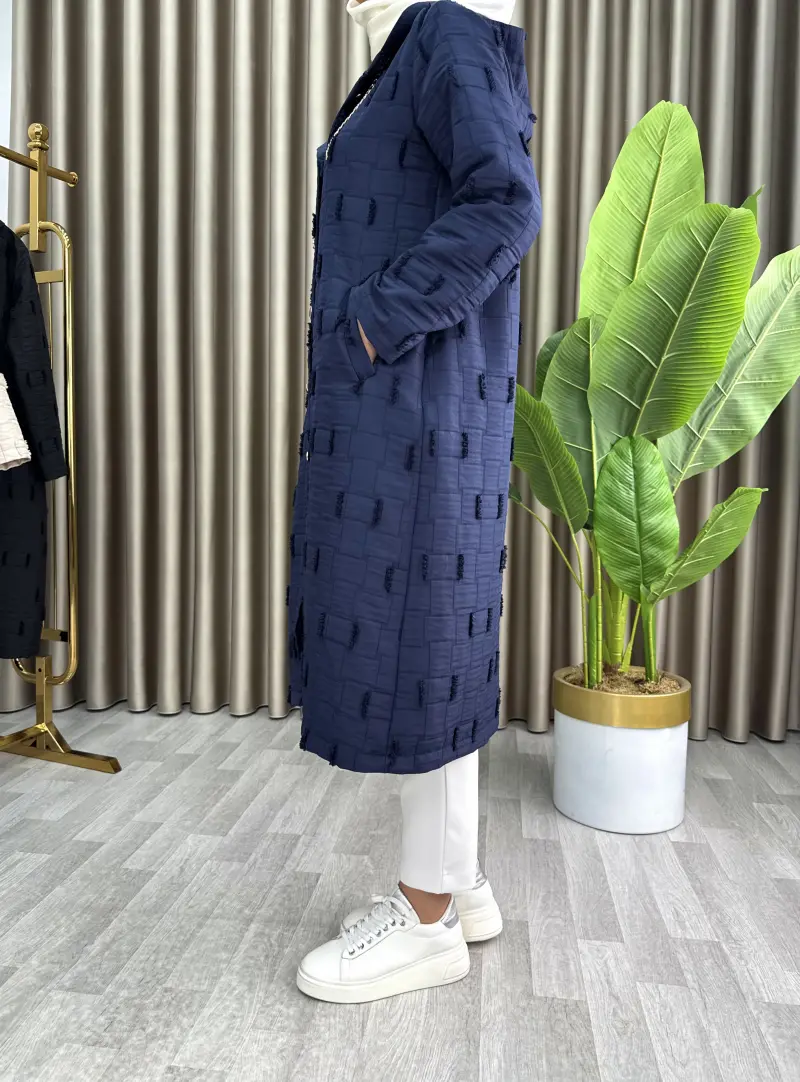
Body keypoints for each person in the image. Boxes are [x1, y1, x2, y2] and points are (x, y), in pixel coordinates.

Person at [288, 0, 541, 1003]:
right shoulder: (424, 40)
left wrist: (371, 323)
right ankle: (459, 884)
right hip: (420, 401)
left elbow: (504, 202)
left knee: (420, 640)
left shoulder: (442, 32)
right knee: (436, 636)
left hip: (416, 406)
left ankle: (425, 918)